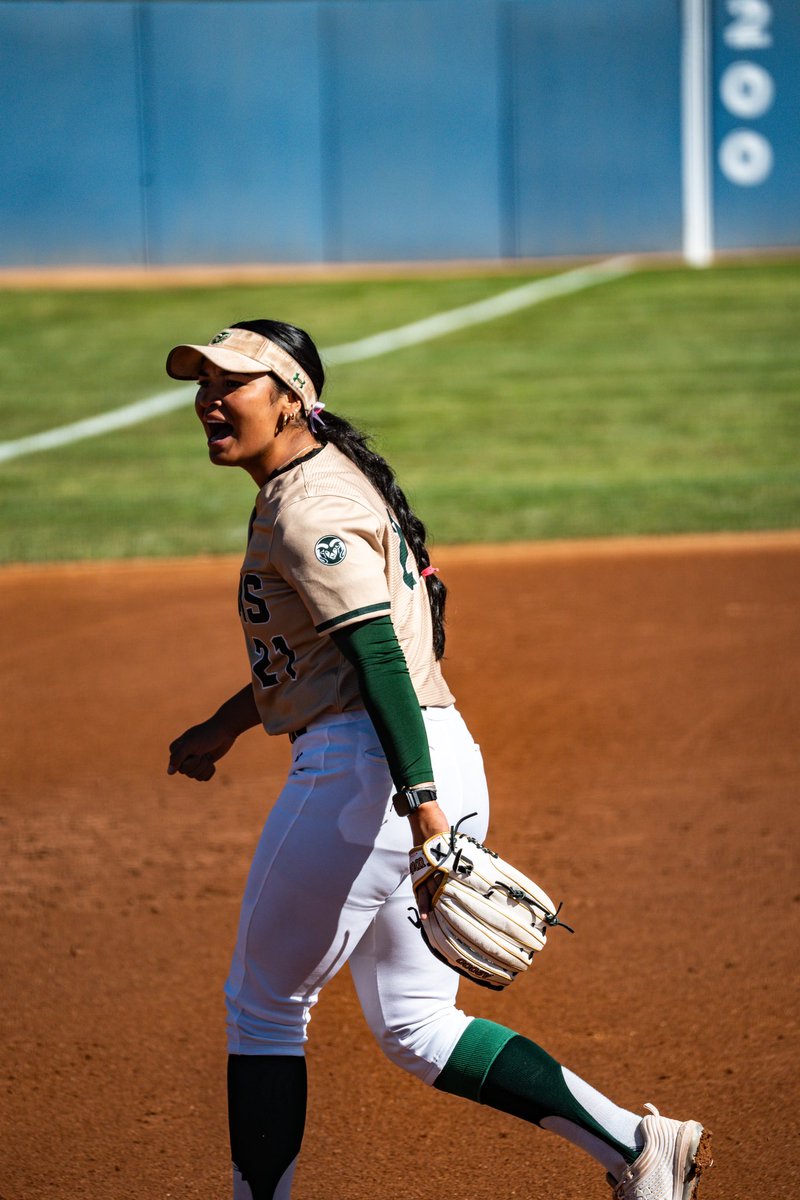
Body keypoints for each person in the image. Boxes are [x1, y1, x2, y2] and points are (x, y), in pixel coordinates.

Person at [165, 319, 711, 1200]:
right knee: (418, 1024)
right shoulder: (325, 488)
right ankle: (641, 1149)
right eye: (203, 383)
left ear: (294, 400)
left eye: (234, 383)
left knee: (263, 1011)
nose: (210, 400)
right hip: (436, 753)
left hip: (373, 774)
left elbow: (377, 657)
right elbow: (331, 651)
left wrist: (423, 818)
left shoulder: (311, 508)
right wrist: (228, 724)